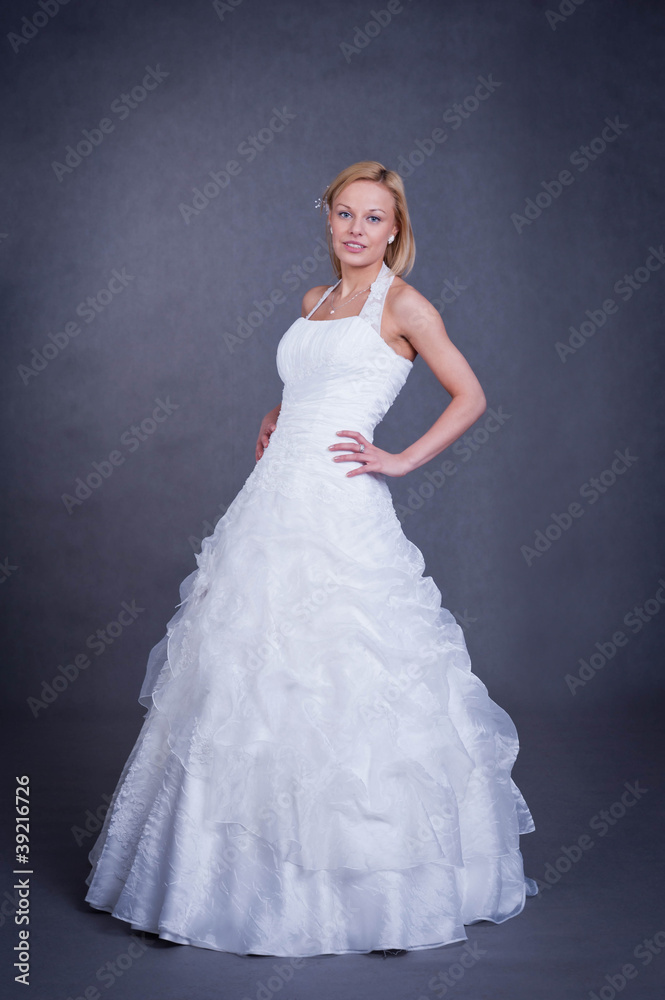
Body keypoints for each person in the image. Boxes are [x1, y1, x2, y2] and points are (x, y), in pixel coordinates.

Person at [84, 160, 537, 957]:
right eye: (344, 214)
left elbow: (470, 394)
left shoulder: (405, 305)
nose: (356, 229)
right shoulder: (314, 301)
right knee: (246, 677)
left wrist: (398, 459)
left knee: (344, 676)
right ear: (328, 221)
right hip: (270, 503)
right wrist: (274, 411)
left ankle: (367, 890)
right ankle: (231, 880)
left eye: (372, 218)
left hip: (339, 508)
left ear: (394, 230)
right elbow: (314, 384)